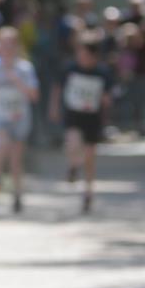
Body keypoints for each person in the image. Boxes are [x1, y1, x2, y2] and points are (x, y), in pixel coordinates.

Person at [49, 30, 113, 213]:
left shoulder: (102, 73)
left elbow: (107, 97)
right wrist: (54, 108)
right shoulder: (70, 68)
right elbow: (57, 87)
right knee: (73, 143)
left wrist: (106, 110)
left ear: (94, 56)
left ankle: (88, 192)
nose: (81, 58)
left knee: (90, 156)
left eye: (85, 55)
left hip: (92, 118)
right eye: (79, 53)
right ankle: (73, 166)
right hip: (73, 115)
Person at [0, 27, 39, 213]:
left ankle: (17, 194)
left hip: (20, 117)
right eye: (2, 45)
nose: (6, 49)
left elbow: (34, 95)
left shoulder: (25, 68)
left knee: (16, 159)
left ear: (16, 47)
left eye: (10, 45)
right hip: (0, 116)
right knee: (3, 143)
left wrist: (17, 81)